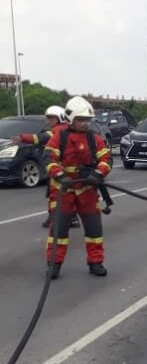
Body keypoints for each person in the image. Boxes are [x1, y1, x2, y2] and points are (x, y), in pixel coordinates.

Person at [43, 96, 113, 279]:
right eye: (81, 119)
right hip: (63, 190)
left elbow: (106, 159)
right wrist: (61, 176)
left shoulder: (94, 139)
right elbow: (49, 159)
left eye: (87, 120)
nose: (85, 123)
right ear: (70, 119)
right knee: (58, 230)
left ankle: (96, 262)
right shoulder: (60, 137)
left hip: (87, 189)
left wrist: (97, 175)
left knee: (94, 229)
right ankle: (54, 264)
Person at [13, 105, 81, 229]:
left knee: (54, 194)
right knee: (70, 193)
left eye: (52, 118)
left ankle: (55, 218)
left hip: (60, 168)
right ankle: (72, 218)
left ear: (60, 118)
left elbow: (39, 138)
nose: (49, 121)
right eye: (49, 118)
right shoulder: (67, 129)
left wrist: (22, 137)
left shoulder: (58, 130)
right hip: (71, 168)